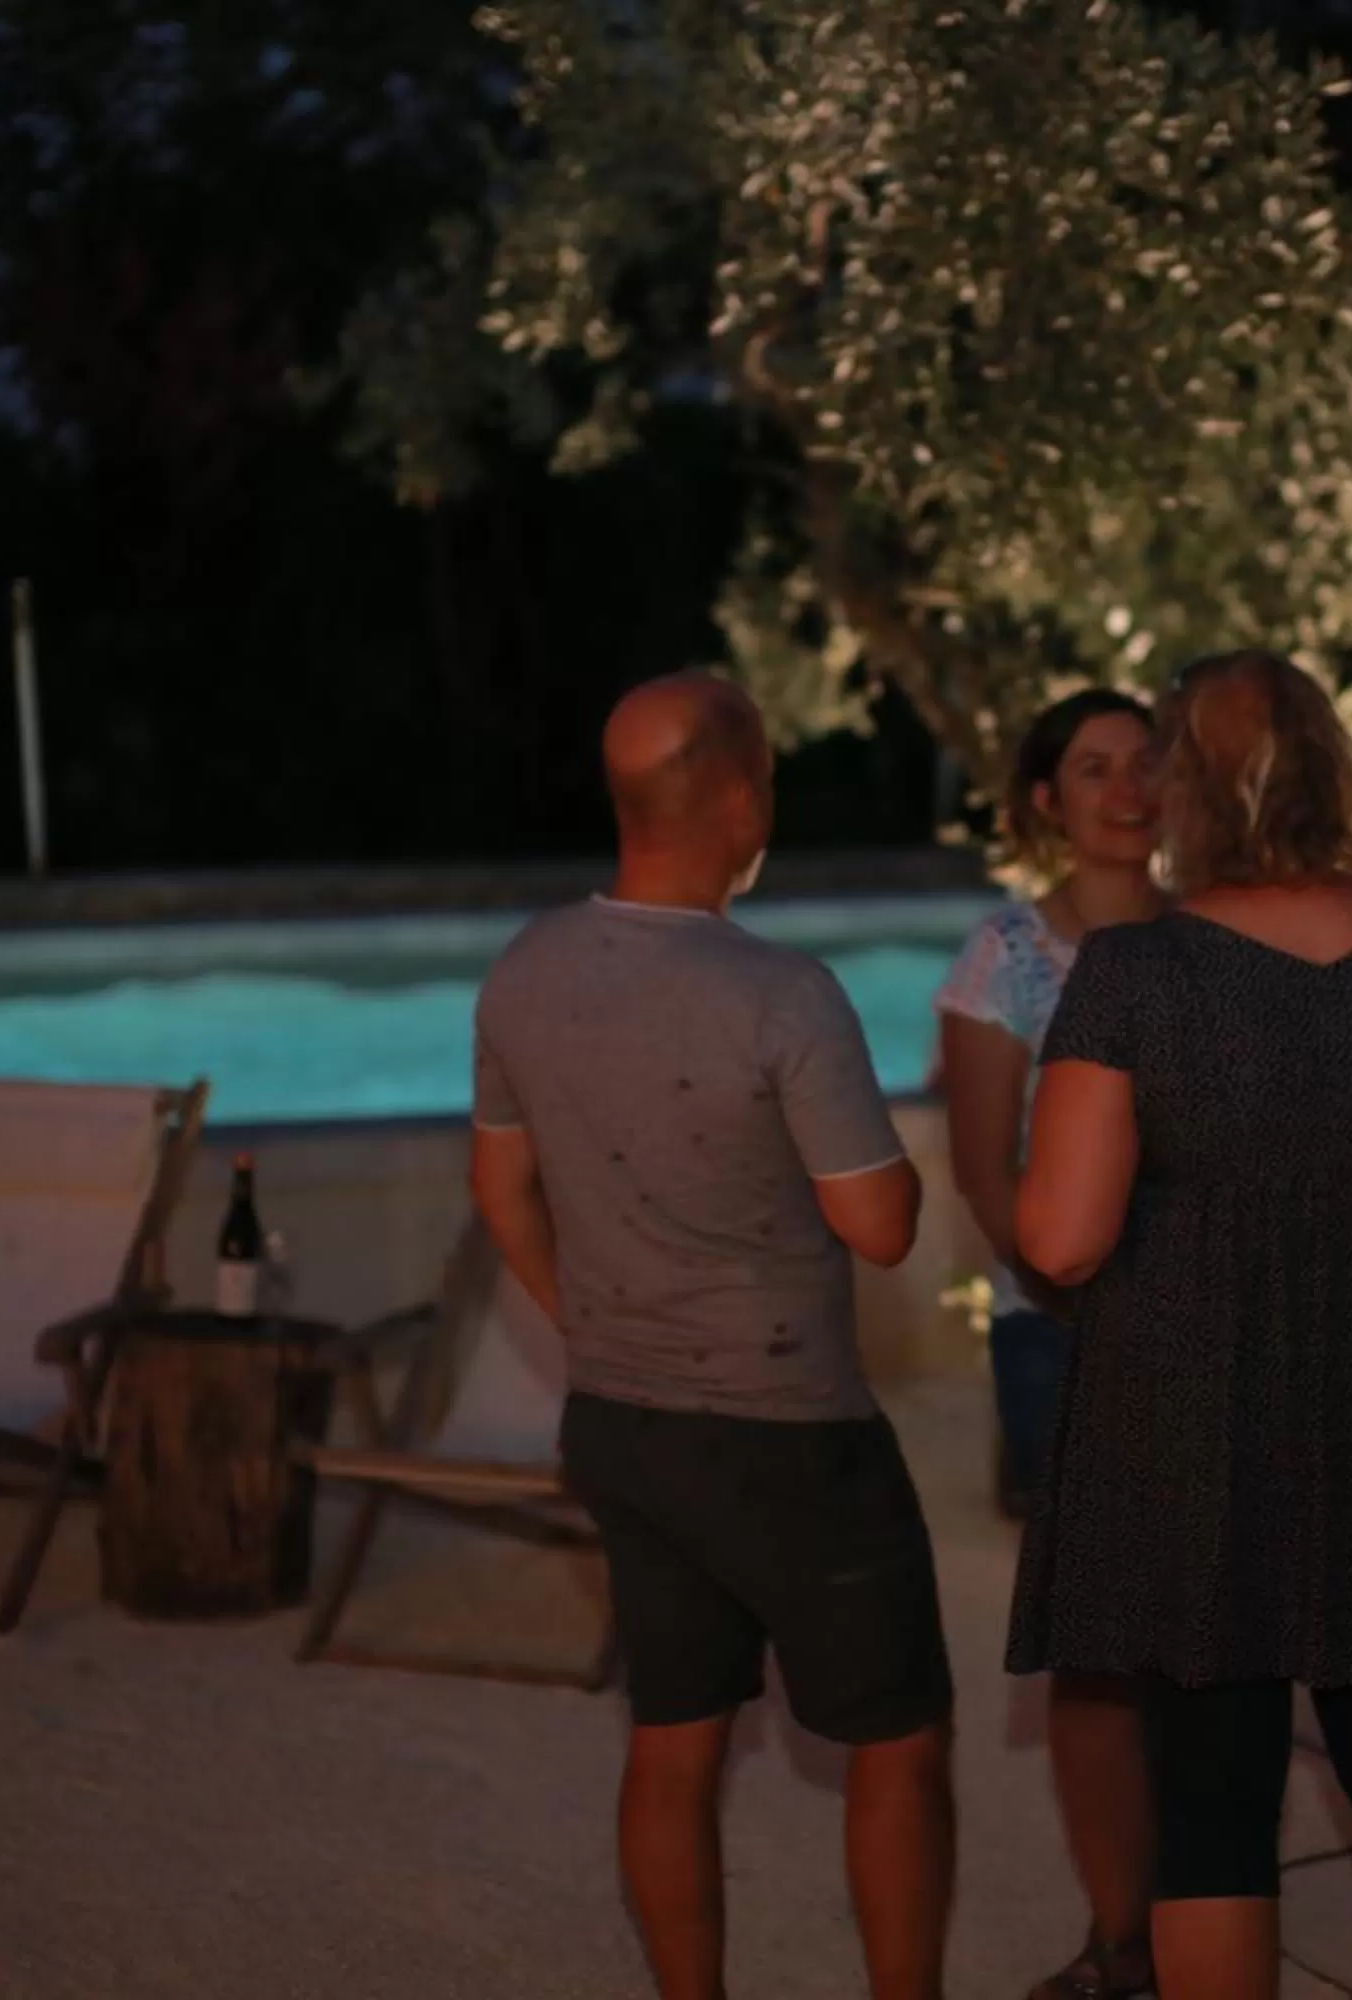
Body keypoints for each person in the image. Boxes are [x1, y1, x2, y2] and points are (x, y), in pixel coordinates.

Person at [1010, 651, 1352, 2000]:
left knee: (1211, 1815)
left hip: (1192, 1417)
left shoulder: (1133, 974)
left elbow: (1060, 1236)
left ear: (1188, 789)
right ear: (1332, 766)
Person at [467, 673, 956, 2000]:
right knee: (900, 1743)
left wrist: (597, 1321)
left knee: (672, 1742)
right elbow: (883, 1229)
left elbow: (501, 1195)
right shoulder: (785, 994)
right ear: (740, 798)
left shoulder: (524, 968)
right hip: (790, 1434)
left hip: (623, 1423)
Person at [929, 688, 1162, 2000]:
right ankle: (1121, 1937)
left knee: (1220, 1630)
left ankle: (1205, 1910)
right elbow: (983, 1178)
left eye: (1147, 764)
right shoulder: (1004, 962)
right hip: (1062, 1339)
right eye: (1094, 769)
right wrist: (1094, 1290)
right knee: (1098, 1642)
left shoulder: (1224, 943)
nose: (1126, 790)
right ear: (1047, 804)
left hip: (1221, 1336)